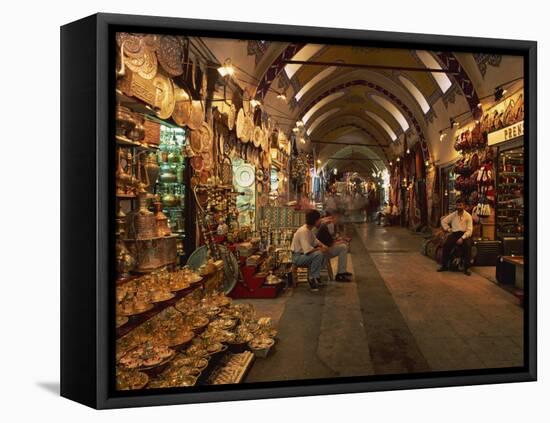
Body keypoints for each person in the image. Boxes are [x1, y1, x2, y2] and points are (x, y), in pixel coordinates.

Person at [291, 209, 329, 291]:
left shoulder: (308, 230)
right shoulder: (303, 231)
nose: (320, 221)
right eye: (319, 219)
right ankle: (311, 278)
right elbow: (308, 250)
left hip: (303, 255)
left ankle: (316, 276)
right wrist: (320, 249)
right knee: (319, 254)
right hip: (298, 257)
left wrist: (323, 246)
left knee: (323, 252)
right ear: (315, 221)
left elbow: (315, 241)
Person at [437, 198, 473, 276]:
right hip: (454, 233)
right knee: (446, 245)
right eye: (457, 205)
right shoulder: (453, 215)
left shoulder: (468, 216)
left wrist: (462, 238)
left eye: (460, 205)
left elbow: (470, 230)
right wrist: (448, 229)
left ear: (464, 206)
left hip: (464, 234)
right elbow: (443, 221)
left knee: (468, 246)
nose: (459, 207)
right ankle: (444, 265)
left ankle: (466, 268)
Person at [316, 212, 353, 282]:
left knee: (343, 246)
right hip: (322, 252)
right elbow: (330, 244)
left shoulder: (326, 226)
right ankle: (340, 274)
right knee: (343, 247)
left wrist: (342, 239)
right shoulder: (324, 227)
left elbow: (332, 239)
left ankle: (342, 271)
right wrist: (341, 241)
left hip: (324, 249)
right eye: (332, 218)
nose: (335, 219)